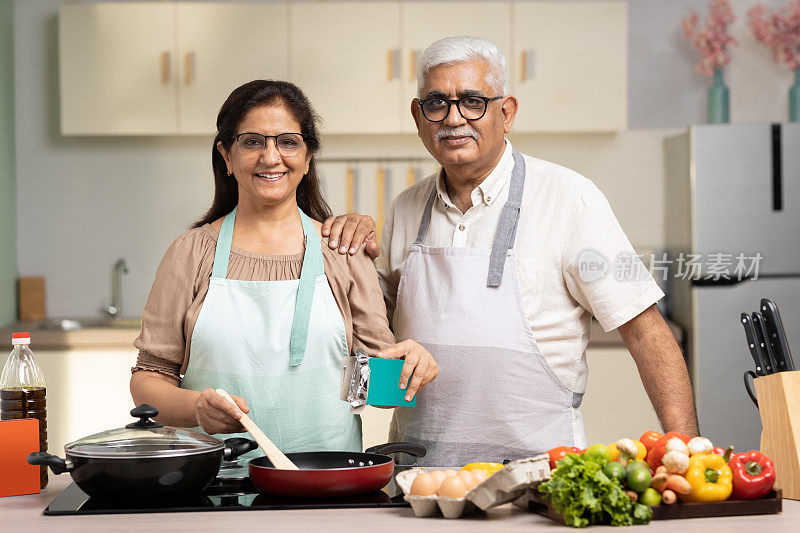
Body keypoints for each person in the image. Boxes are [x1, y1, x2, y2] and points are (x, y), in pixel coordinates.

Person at [323, 36, 698, 465]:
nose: (454, 118)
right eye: (436, 103)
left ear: (507, 111)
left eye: (473, 101)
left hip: (543, 475)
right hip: (421, 477)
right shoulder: (405, 208)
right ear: (418, 115)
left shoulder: (571, 197)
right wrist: (347, 257)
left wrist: (686, 451)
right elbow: (373, 343)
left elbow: (646, 330)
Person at [130, 80, 437, 453]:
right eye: (253, 141)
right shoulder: (189, 254)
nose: (271, 157)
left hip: (324, 483)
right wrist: (196, 408)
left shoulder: (343, 252)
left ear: (308, 158)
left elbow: (379, 392)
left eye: (288, 142)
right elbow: (148, 380)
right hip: (214, 486)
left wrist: (410, 366)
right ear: (226, 155)